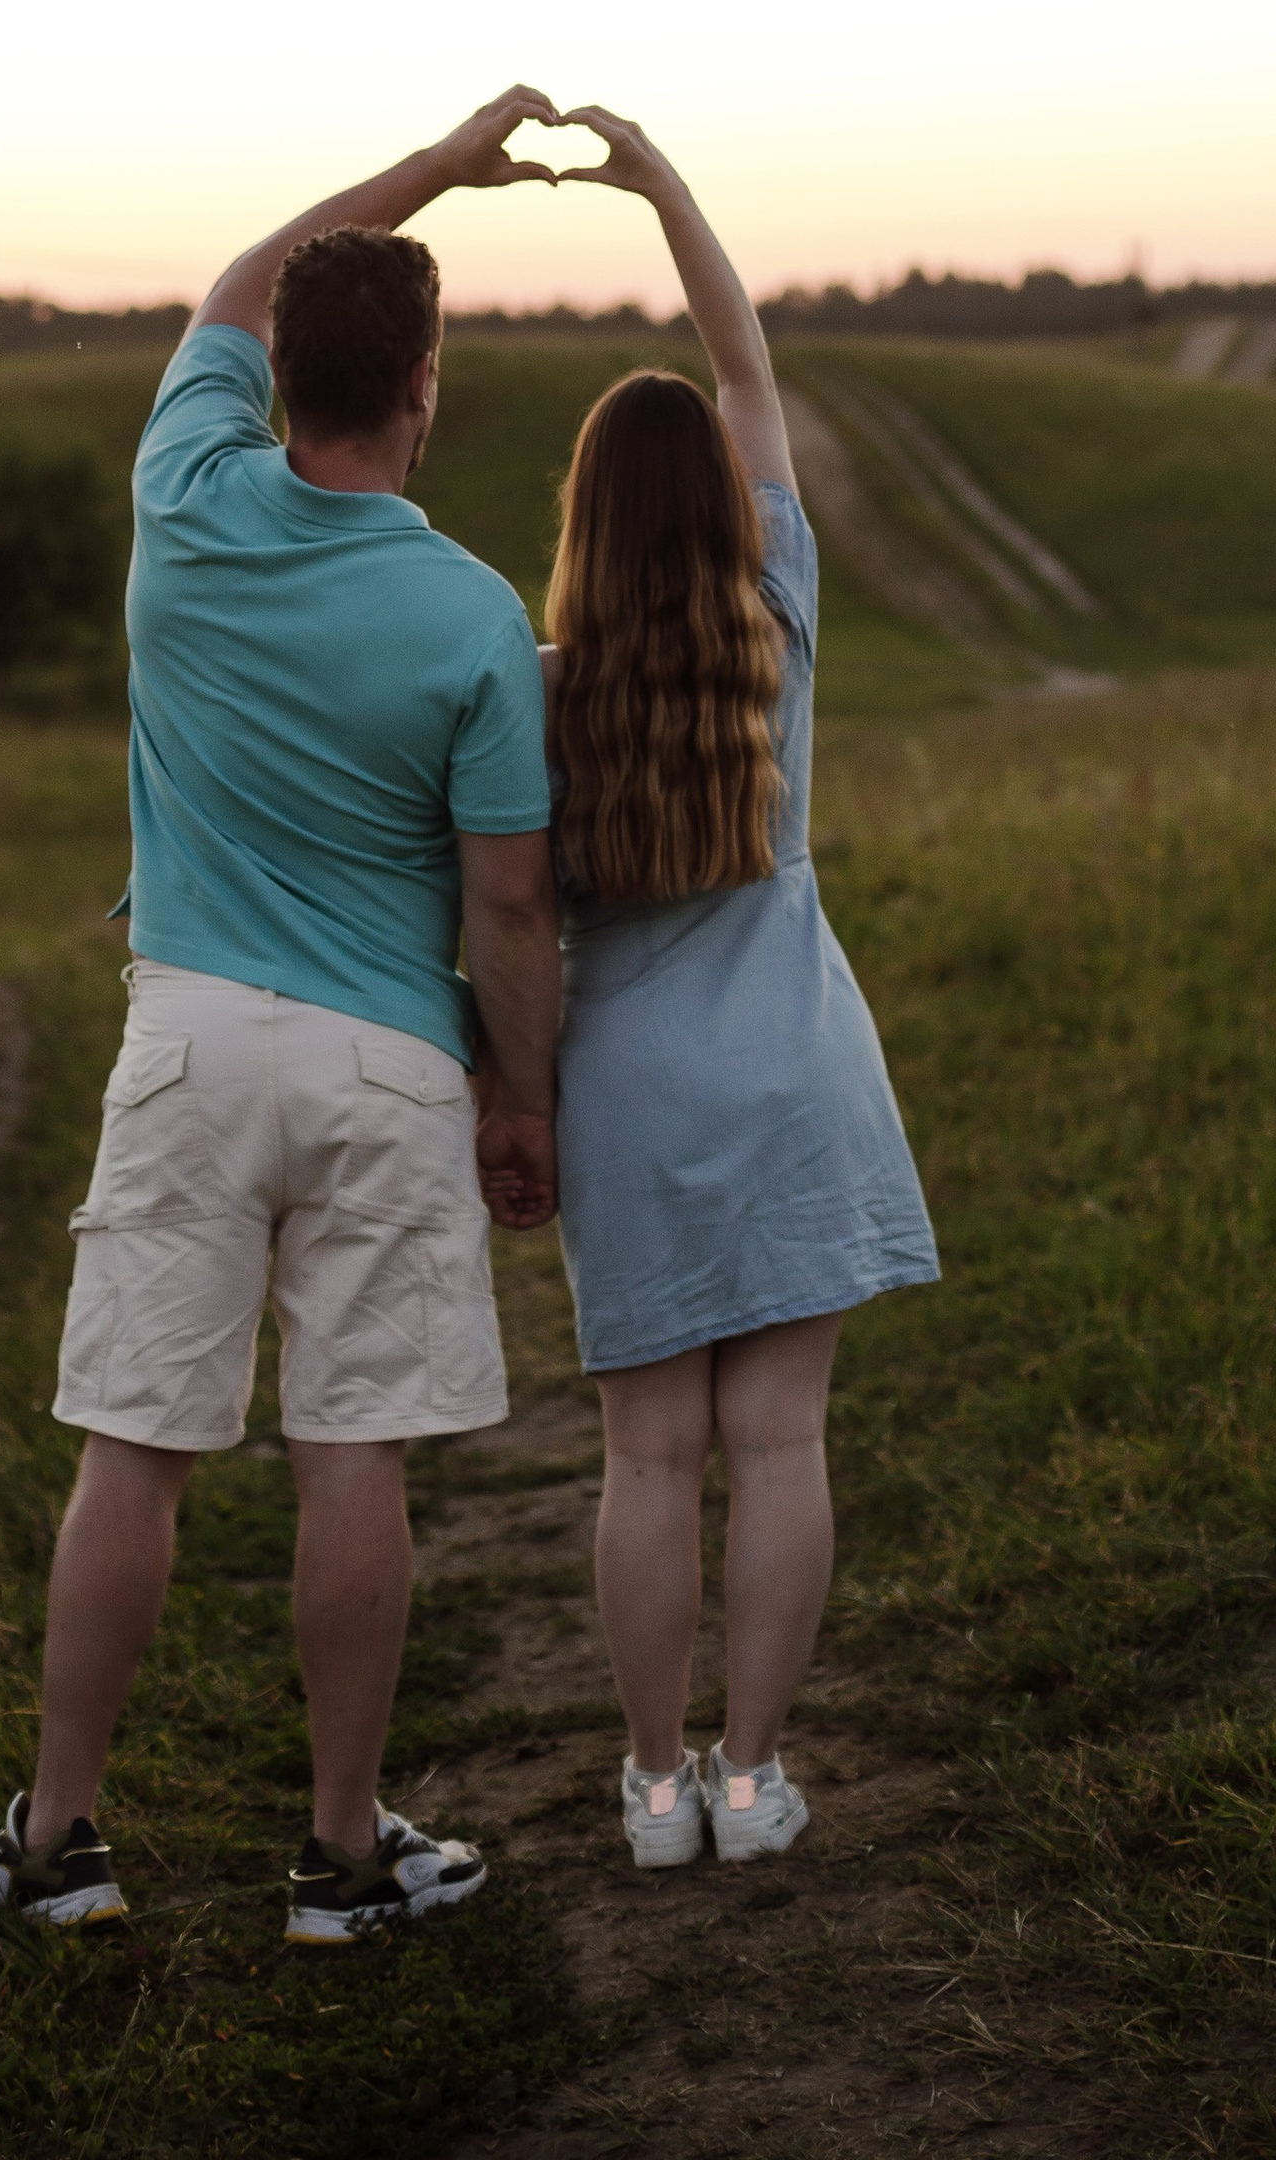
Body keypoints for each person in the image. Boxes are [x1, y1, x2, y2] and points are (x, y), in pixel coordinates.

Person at [0, 91, 569, 1948]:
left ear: (274, 372)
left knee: (135, 1448)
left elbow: (242, 267)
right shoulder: (472, 615)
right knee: (350, 1453)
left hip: (193, 1040)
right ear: (427, 387)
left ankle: (61, 1839)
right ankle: (341, 1855)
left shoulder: (188, 493)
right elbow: (510, 907)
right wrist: (520, 1102)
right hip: (389, 1063)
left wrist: (440, 164)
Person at [536, 108, 939, 1869]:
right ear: (715, 502)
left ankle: (648, 1784)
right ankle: (756, 1779)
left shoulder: (538, 689)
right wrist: (657, 186)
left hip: (625, 1094)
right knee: (781, 1444)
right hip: (794, 1074)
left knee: (647, 1461)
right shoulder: (777, 612)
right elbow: (747, 362)